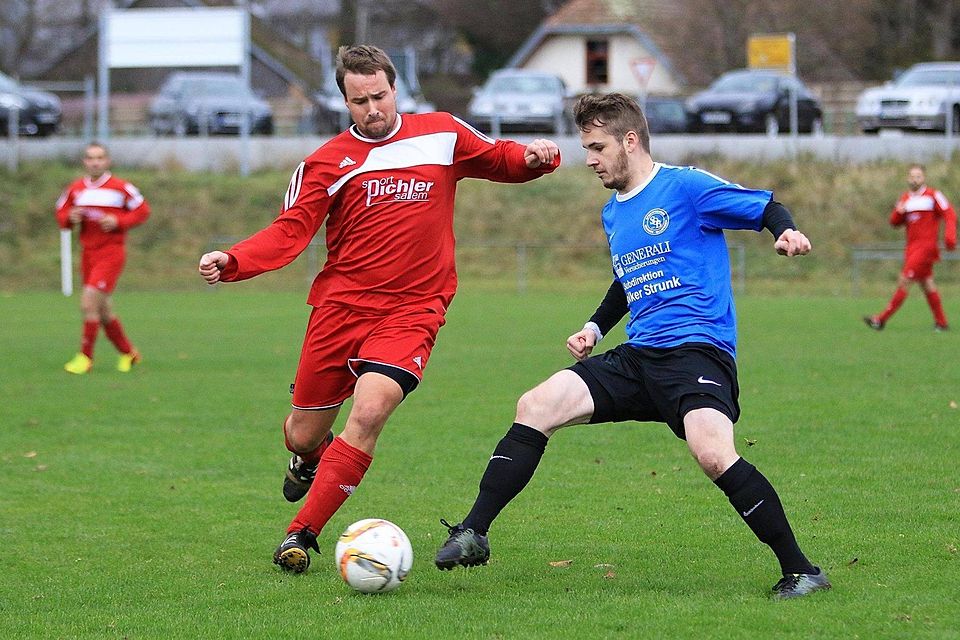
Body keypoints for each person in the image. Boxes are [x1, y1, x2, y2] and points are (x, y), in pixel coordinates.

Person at [434, 92, 830, 600]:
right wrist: (595, 328)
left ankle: (801, 570)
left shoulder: (685, 187)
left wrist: (787, 231)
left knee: (712, 454)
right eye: (586, 149)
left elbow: (764, 205)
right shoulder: (613, 213)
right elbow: (627, 279)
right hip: (638, 357)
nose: (591, 160)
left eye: (597, 147)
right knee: (536, 405)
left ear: (630, 140)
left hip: (696, 353)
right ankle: (474, 532)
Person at [197, 44, 560, 573]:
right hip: (340, 309)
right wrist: (233, 259)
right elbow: (289, 231)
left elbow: (501, 158)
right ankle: (307, 459)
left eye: (380, 96)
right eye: (359, 100)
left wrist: (536, 157)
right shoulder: (324, 163)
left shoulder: (441, 133)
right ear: (344, 101)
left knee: (369, 412)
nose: (373, 108)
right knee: (303, 432)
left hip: (414, 308)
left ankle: (301, 534)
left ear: (396, 90)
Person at [56, 142, 150, 374]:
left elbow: (142, 211)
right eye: (90, 158)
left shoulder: (121, 187)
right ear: (84, 162)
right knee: (104, 310)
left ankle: (85, 358)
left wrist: (119, 222)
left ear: (107, 161)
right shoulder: (76, 189)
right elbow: (61, 214)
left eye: (99, 157)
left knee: (88, 303)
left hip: (111, 253)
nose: (95, 162)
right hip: (88, 253)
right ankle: (129, 353)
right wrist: (71, 216)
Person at [864, 163, 956, 331]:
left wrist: (950, 237)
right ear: (908, 178)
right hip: (912, 248)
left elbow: (949, 214)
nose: (915, 179)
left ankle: (881, 320)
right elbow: (894, 223)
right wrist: (899, 211)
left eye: (918, 176)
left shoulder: (933, 195)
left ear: (924, 178)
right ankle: (941, 323)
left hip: (926, 247)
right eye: (912, 176)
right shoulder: (905, 198)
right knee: (927, 283)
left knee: (905, 280)